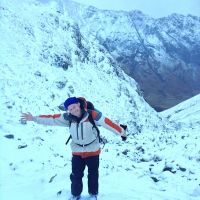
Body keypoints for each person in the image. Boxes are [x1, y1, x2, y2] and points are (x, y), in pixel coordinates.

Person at [21, 97, 127, 200]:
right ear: (68, 110)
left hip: (93, 151)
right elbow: (52, 119)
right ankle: (75, 195)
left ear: (79, 105)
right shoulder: (68, 118)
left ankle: (93, 195)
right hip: (77, 152)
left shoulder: (92, 115)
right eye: (70, 109)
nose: (73, 110)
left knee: (93, 175)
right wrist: (34, 118)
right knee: (76, 175)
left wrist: (121, 132)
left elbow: (108, 123)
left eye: (74, 107)